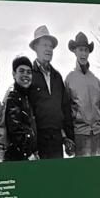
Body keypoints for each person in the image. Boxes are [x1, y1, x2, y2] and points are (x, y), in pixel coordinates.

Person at [27, 25, 74, 159]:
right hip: (37, 142)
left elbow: (65, 108)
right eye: (44, 45)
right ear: (35, 47)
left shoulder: (57, 76)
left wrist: (68, 137)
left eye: (51, 46)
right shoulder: (28, 74)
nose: (49, 49)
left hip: (57, 141)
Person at [65, 32, 100, 157]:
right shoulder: (69, 80)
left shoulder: (97, 81)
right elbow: (66, 112)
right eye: (80, 50)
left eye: (86, 50)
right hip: (80, 136)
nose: (83, 53)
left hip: (99, 135)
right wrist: (68, 138)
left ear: (89, 52)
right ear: (75, 51)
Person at [4, 56, 38, 161]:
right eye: (21, 71)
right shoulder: (13, 95)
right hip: (17, 157)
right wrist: (28, 153)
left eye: (28, 72)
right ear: (14, 74)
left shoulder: (25, 95)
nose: (25, 75)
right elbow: (15, 130)